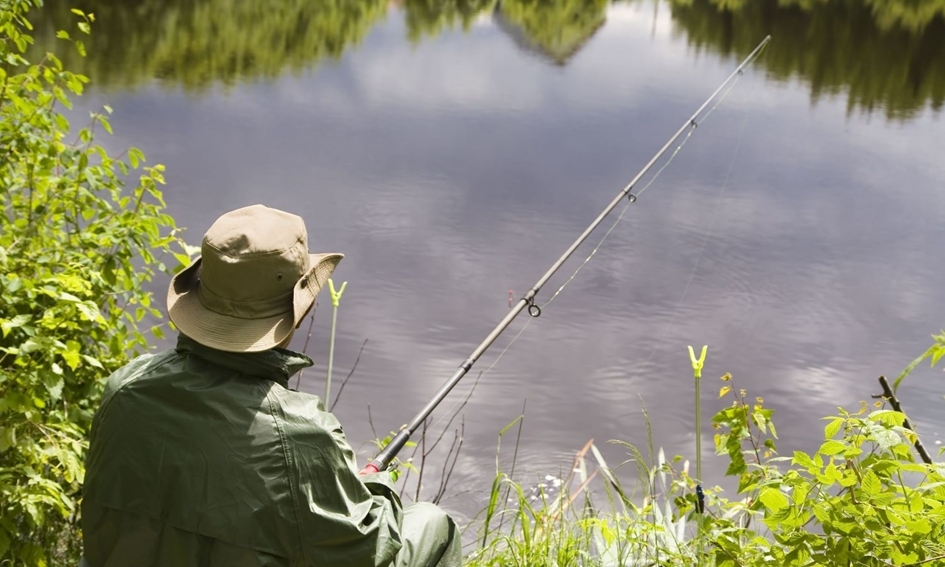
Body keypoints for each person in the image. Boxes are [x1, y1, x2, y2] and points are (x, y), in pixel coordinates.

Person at [81, 204, 462, 567]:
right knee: (432, 524)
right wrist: (374, 489)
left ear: (199, 294)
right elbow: (362, 551)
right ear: (297, 311)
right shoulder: (301, 432)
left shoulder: (125, 388)